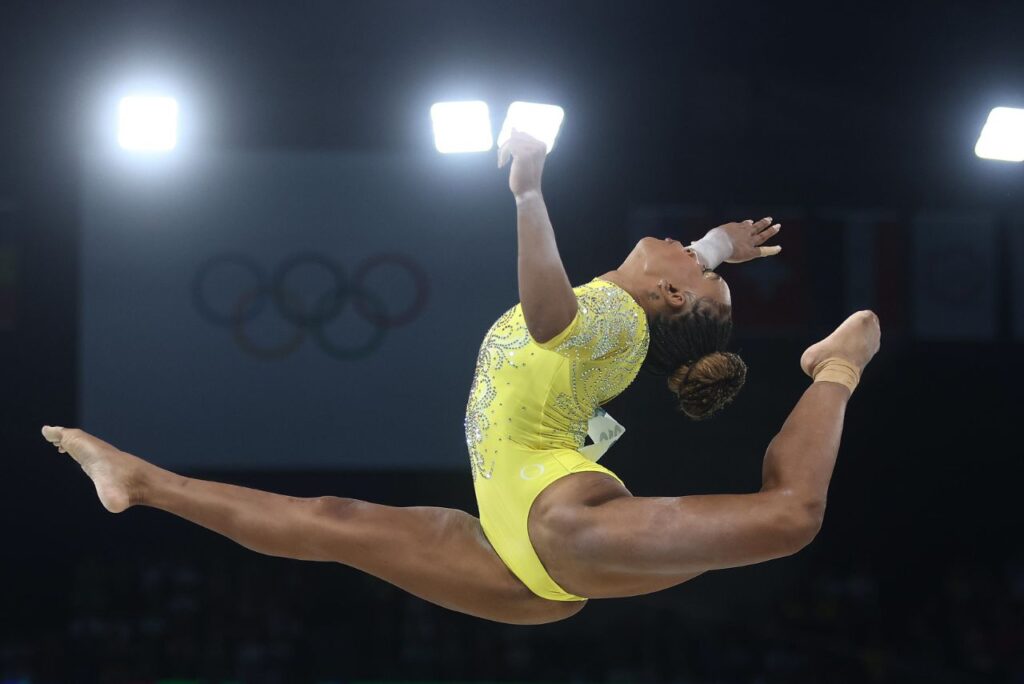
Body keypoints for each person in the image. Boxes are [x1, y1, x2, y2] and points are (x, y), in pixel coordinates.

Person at [42, 130, 880, 626]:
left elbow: (551, 313)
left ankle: (836, 365)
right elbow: (675, 277)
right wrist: (720, 251)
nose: (684, 245)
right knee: (330, 521)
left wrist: (527, 192)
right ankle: (140, 483)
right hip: (521, 557)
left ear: (667, 296)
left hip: (555, 528)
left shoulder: (613, 319)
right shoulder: (637, 311)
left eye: (696, 266)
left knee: (791, 518)